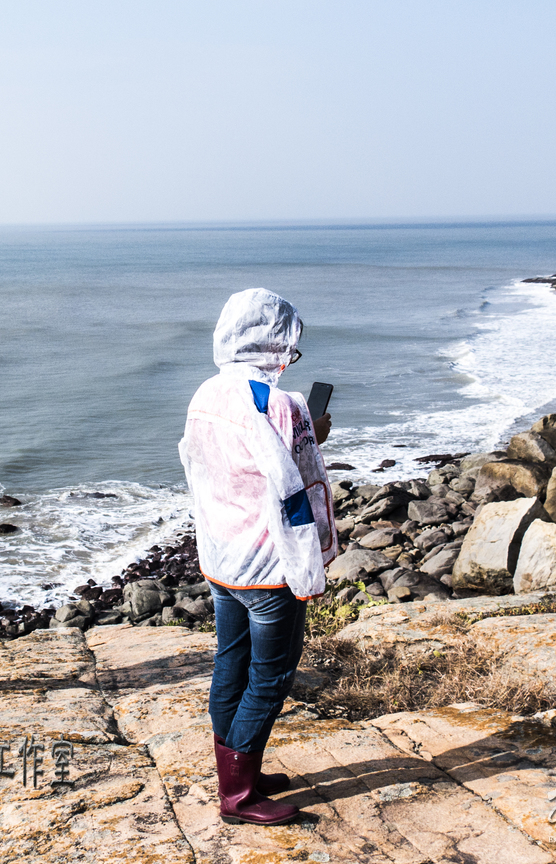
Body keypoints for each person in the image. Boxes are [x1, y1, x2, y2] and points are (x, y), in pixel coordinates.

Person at [178, 289, 338, 826]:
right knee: (271, 677)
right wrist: (313, 433)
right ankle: (238, 795)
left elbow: (201, 466)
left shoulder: (206, 393)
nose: (290, 357)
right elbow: (296, 489)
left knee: (231, 665)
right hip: (269, 566)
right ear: (274, 344)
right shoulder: (278, 403)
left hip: (223, 558)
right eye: (289, 346)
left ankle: (237, 771)